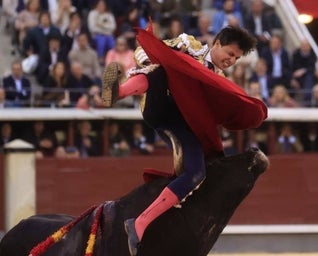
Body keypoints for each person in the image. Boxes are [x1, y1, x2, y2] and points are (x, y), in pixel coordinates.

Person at [101, 24, 266, 256]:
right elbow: (146, 52)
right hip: (159, 106)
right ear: (217, 43)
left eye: (236, 58)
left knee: (196, 173)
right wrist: (148, 61)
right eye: (230, 54)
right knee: (161, 69)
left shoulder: (219, 81)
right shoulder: (189, 44)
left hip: (182, 123)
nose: (231, 61)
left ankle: (138, 224)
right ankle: (119, 93)